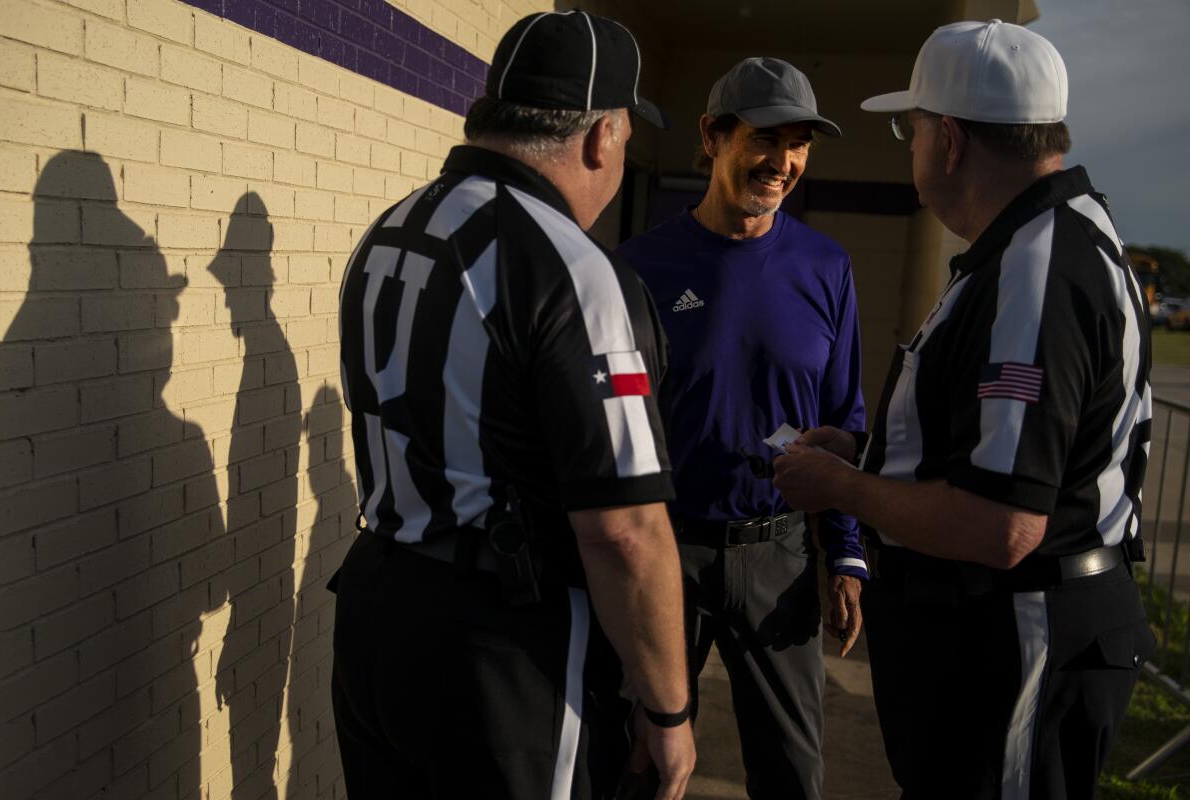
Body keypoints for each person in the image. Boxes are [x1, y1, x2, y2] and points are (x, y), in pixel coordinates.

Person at [772, 20, 1154, 798]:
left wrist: (840, 490)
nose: (906, 149)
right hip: (1009, 637)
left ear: (948, 141)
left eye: (908, 130)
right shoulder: (1039, 243)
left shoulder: (1036, 270)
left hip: (1021, 641)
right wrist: (869, 455)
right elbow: (995, 450)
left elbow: (1001, 523)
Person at [331, 10, 695, 800]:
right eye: (628, 136)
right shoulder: (574, 267)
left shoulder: (391, 227)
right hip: (499, 646)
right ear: (601, 136)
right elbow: (626, 529)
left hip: (374, 606)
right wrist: (669, 709)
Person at [618, 57, 867, 800]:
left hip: (778, 556)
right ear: (713, 136)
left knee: (794, 776)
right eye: (767, 138)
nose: (784, 162)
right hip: (667, 552)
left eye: (800, 144)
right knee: (639, 766)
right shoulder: (640, 268)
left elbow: (842, 421)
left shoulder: (826, 267)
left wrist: (846, 554)